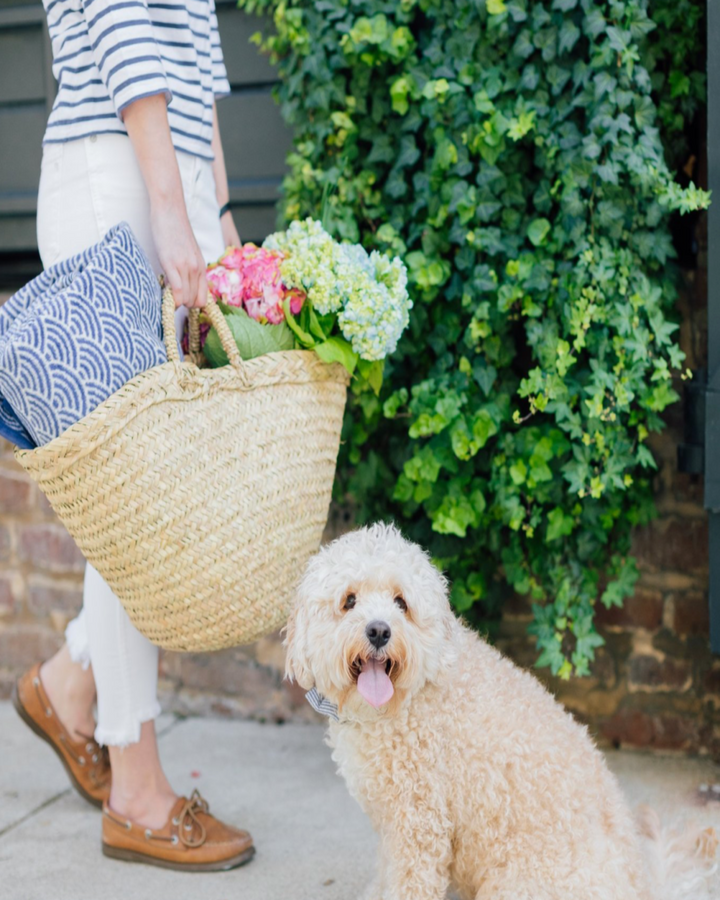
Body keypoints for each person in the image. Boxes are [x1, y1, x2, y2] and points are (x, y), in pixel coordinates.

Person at [12, 0, 255, 871]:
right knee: (136, 496)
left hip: (166, 174)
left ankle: (73, 680)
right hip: (113, 175)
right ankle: (138, 790)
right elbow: (121, 20)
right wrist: (168, 203)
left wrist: (215, 209)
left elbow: (193, 54)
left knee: (154, 491)